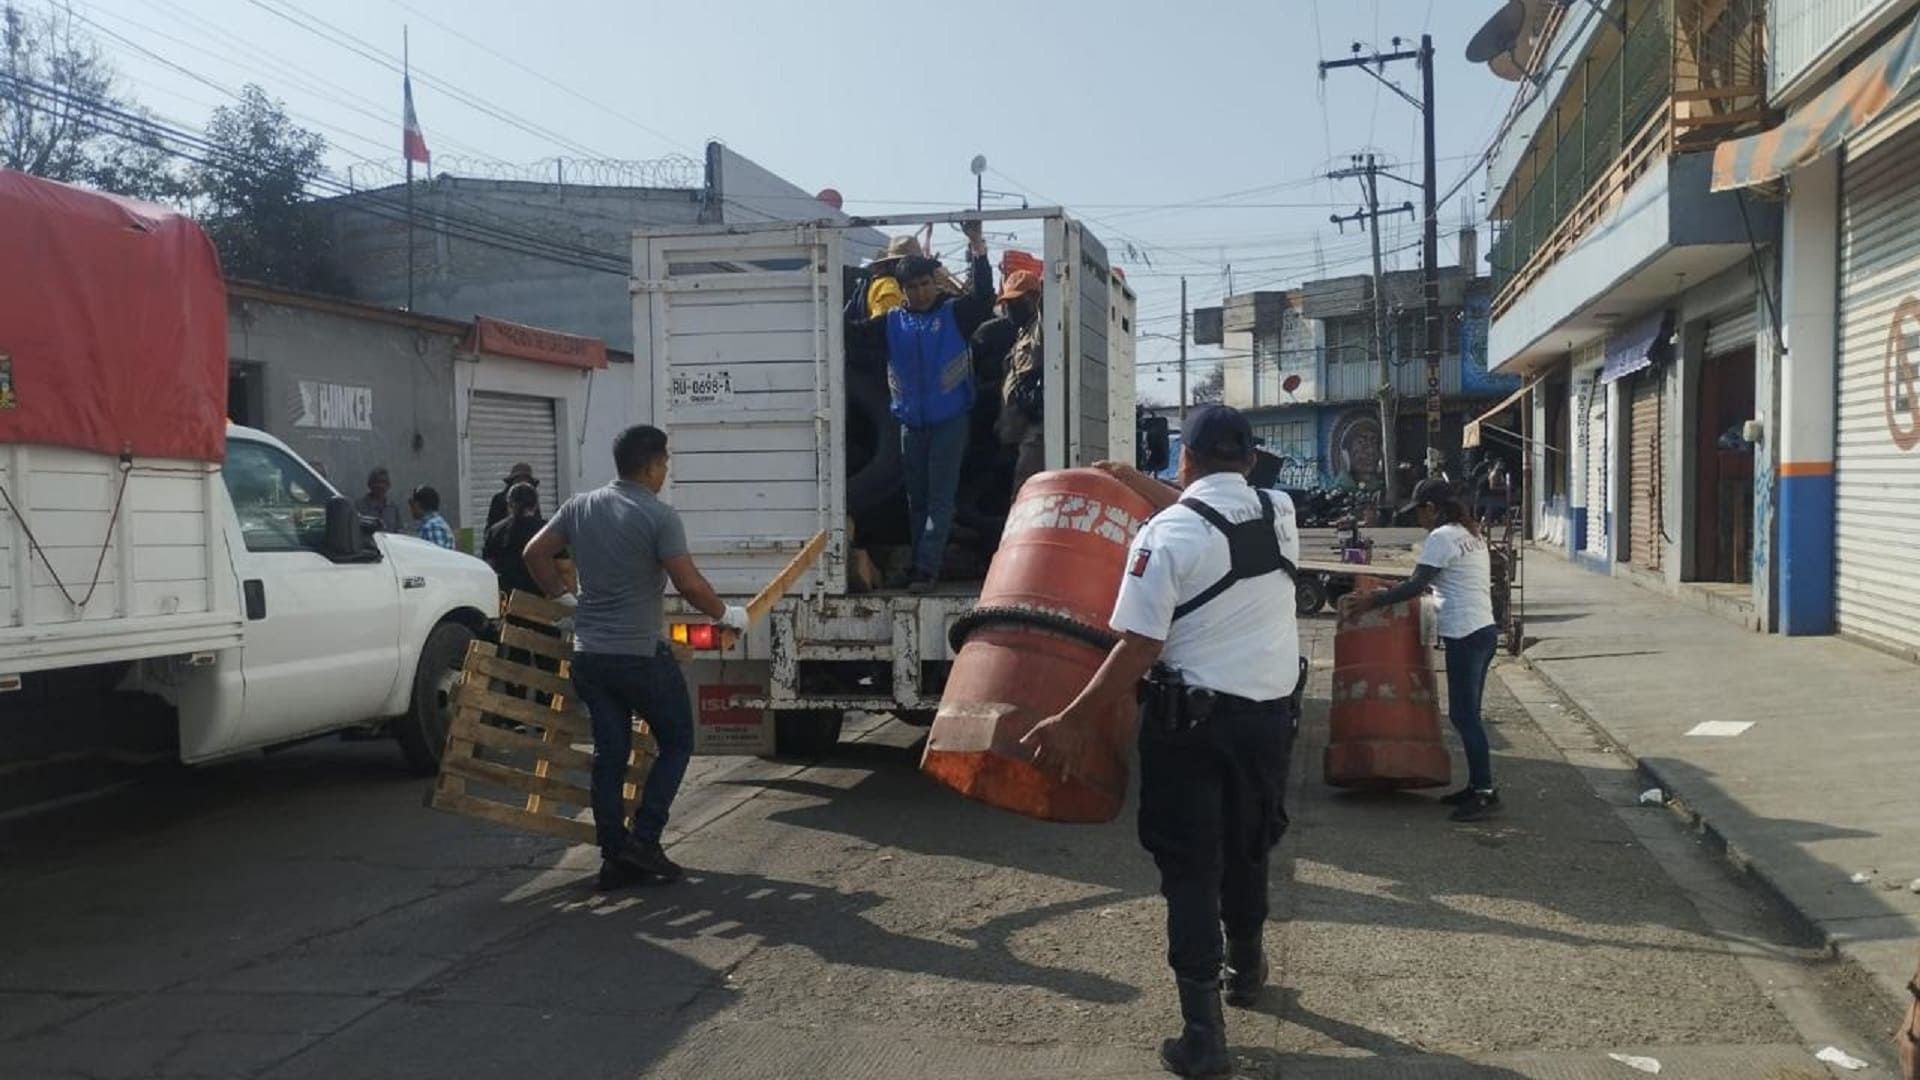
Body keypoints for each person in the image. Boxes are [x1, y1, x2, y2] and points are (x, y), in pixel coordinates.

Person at [1021, 404, 1302, 1078]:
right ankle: (1247, 968)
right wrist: (1127, 476)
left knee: (1190, 871)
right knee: (1249, 846)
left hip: (1192, 731)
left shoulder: (1163, 537)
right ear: (1250, 460)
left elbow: (1139, 646)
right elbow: (1210, 507)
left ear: (1185, 458)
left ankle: (1204, 1036)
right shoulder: (1280, 510)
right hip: (1268, 726)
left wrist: (1073, 721)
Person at [522, 425, 749, 891]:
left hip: (590, 656)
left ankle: (615, 857)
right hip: (637, 657)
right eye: (664, 463)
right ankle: (643, 840)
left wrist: (567, 602)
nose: (666, 472)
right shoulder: (658, 516)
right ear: (649, 466)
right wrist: (729, 613)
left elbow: (534, 554)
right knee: (678, 741)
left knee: (610, 754)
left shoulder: (580, 506)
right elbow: (687, 582)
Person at [846, 222, 997, 591]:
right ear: (902, 290)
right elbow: (851, 331)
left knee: (939, 499)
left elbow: (983, 297)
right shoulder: (892, 322)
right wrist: (858, 285)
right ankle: (920, 563)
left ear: (935, 282)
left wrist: (978, 248)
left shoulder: (955, 314)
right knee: (917, 499)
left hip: (949, 420)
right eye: (912, 287)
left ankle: (925, 568)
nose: (920, 292)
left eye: (925, 284)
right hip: (910, 424)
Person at [1340, 477, 1500, 822]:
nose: (1418, 519)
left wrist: (1374, 600)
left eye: (1420, 512)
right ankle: (1477, 786)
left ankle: (1485, 791)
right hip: (1484, 630)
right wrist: (1390, 589)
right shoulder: (1470, 533)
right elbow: (1424, 581)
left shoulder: (1441, 538)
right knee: (1470, 713)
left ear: (1432, 509)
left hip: (1465, 634)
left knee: (1464, 716)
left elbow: (1416, 584)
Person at [982, 270, 1047, 496]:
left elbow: (1046, 313)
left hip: (1035, 428)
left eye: (1016, 301)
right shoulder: (1020, 333)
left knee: (1025, 489)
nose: (1010, 308)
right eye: (1007, 302)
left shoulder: (1038, 330)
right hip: (1015, 430)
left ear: (1032, 299)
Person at [483, 481, 545, 597]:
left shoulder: (495, 531)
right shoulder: (546, 530)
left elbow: (489, 566)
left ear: (509, 504)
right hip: (542, 598)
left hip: (507, 598)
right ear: (536, 505)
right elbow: (564, 566)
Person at [487, 463, 537, 531]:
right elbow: (489, 532)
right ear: (512, 481)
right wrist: (510, 518)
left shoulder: (532, 499)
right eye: (519, 480)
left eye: (526, 480)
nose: (522, 482)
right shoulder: (499, 499)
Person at [356, 467, 403, 533]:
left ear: (388, 485)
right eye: (377, 482)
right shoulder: (359, 506)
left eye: (384, 482)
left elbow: (399, 531)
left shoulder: (393, 508)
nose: (380, 485)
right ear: (369, 484)